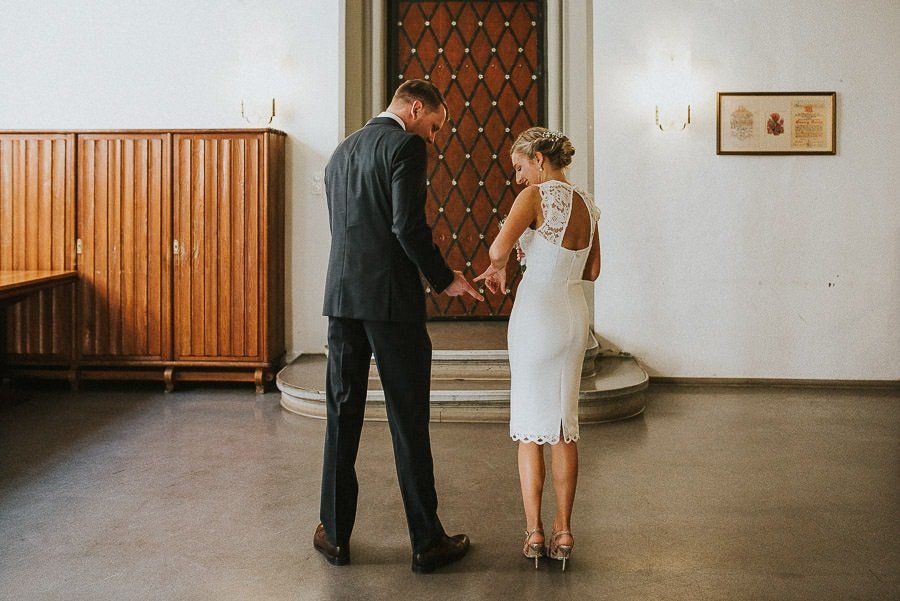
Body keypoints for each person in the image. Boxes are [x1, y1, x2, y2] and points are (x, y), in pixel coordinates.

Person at [316, 79, 483, 573]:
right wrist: (444, 278)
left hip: (342, 299)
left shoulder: (340, 152)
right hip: (390, 303)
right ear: (414, 109)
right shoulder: (404, 146)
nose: (432, 138)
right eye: (433, 126)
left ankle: (335, 534)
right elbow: (406, 226)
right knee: (408, 418)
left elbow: (345, 228)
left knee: (342, 414)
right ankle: (426, 541)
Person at [475, 127, 601, 571]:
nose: (518, 178)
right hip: (573, 314)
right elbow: (595, 270)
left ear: (540, 161)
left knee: (530, 425)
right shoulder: (586, 202)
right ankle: (564, 531)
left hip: (537, 314)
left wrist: (499, 266)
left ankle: (534, 532)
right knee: (565, 425)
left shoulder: (535, 198)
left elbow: (497, 247)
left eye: (520, 167)